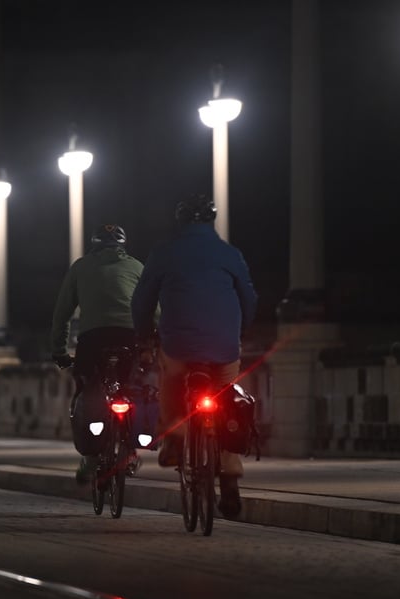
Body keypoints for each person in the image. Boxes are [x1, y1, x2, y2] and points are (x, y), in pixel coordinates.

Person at [130, 194, 257, 518]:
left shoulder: (164, 252)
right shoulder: (229, 253)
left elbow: (142, 299)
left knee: (171, 381)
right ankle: (229, 476)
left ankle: (175, 438)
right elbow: (249, 297)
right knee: (228, 396)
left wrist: (144, 333)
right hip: (224, 345)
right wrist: (241, 331)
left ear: (181, 222)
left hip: (179, 345)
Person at [50, 224, 146, 483]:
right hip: (129, 336)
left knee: (87, 388)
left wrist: (59, 351)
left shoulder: (81, 267)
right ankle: (131, 449)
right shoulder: (137, 267)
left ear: (94, 244)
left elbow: (62, 313)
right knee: (134, 388)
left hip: (93, 339)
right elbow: (153, 308)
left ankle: (91, 458)